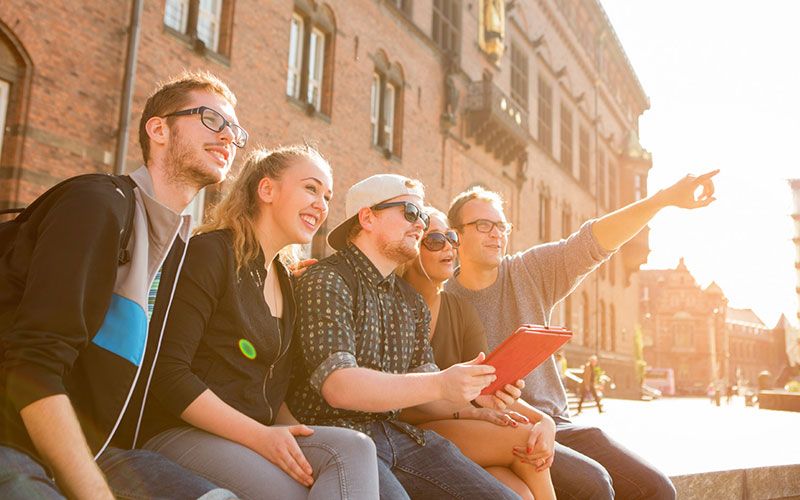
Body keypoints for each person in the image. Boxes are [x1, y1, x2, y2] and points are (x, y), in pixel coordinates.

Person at [0, 71, 243, 499]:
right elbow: (32, 369)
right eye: (212, 119)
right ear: (158, 129)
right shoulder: (96, 205)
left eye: (235, 131)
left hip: (98, 447)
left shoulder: (172, 243)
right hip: (14, 437)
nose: (228, 137)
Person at [445, 170, 719, 499]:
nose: (496, 234)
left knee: (657, 489)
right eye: (483, 225)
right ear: (456, 235)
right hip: (502, 434)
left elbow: (592, 242)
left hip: (559, 424)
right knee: (594, 486)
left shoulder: (528, 272)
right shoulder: (443, 299)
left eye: (502, 225)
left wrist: (661, 200)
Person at [140, 146, 380, 499]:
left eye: (326, 196)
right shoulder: (209, 253)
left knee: (356, 448)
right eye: (311, 189)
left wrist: (288, 437)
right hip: (181, 432)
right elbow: (168, 374)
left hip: (256, 433)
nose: (322, 204)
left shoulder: (284, 278)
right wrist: (261, 437)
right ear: (266, 190)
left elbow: (269, 388)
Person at [288, 174, 521, 499]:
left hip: (398, 436)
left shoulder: (410, 302)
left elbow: (425, 390)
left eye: (422, 216)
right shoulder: (327, 280)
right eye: (410, 213)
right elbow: (338, 386)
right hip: (335, 438)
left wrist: (474, 397)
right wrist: (442, 383)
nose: (420, 225)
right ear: (367, 217)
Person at [398, 207, 556, 500]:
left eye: (451, 238)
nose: (448, 247)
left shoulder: (461, 311)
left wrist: (544, 420)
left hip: (460, 423)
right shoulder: (392, 304)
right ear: (410, 247)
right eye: (434, 240)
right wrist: (468, 410)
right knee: (525, 443)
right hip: (407, 430)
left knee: (520, 491)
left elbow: (487, 388)